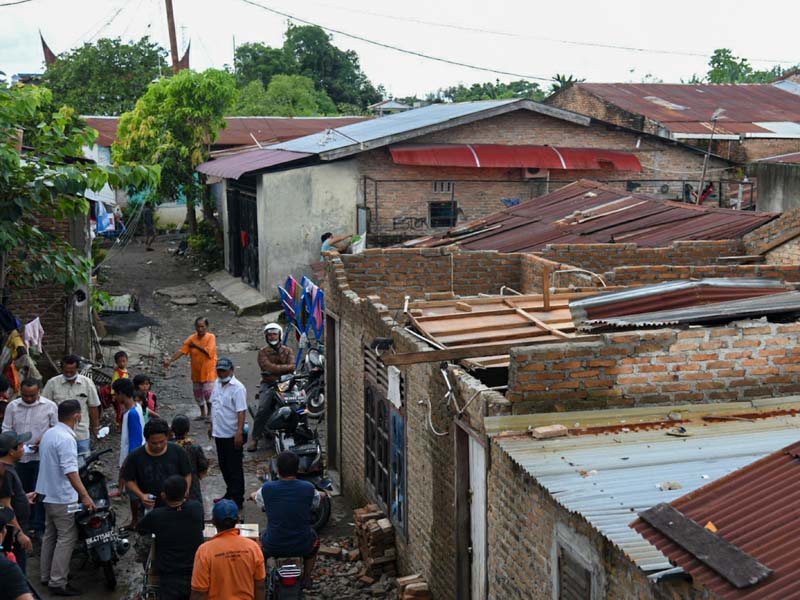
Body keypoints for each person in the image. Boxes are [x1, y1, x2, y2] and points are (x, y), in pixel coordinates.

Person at [35, 399, 96, 596]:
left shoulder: (50, 433)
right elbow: (71, 471)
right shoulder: (67, 439)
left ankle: (46, 575)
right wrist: (85, 496)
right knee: (67, 537)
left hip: (47, 493)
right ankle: (58, 581)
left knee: (50, 534)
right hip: (62, 497)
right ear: (77, 416)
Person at [254, 451, 322, 589]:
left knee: (260, 540)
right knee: (315, 538)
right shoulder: (308, 488)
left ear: (277, 469)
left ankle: (261, 578)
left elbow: (259, 500)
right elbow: (315, 503)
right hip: (302, 544)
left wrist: (252, 496)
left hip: (273, 544)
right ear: (297, 469)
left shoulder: (266, 489)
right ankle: (307, 577)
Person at [2, 378, 57, 538]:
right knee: (19, 493)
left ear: (38, 391)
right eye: (25, 396)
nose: (29, 399)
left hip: (40, 457)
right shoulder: (13, 406)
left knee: (39, 493)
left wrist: (44, 440)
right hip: (18, 459)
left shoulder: (50, 407)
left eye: (32, 396)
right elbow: (6, 429)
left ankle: (38, 527)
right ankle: (19, 527)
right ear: (21, 392)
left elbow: (55, 429)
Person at [137, 475, 203, 600]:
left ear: (163, 496)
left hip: (170, 575)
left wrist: (149, 510)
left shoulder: (156, 516)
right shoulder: (196, 508)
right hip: (196, 571)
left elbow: (140, 529)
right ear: (185, 493)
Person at [190, 499, 265, 600]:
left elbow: (199, 592)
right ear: (238, 520)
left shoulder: (205, 551)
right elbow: (260, 586)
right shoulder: (253, 548)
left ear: (213, 521)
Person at [123, 418, 192, 512]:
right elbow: (128, 480)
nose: (158, 446)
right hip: (151, 505)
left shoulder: (178, 452)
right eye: (154, 443)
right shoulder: (135, 456)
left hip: (175, 504)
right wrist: (141, 495)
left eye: (162, 441)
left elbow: (187, 474)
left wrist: (185, 491)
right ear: (146, 439)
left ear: (167, 437)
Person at [42, 355, 101, 457]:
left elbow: (93, 406)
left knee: (83, 462)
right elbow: (44, 407)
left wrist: (96, 427)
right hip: (59, 433)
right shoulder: (52, 384)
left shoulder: (87, 383)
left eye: (72, 371)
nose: (68, 374)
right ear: (62, 369)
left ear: (78, 369)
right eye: (66, 371)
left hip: (81, 433)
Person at [248, 323, 294, 453]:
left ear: (280, 335)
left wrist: (279, 370)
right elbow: (268, 367)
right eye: (269, 334)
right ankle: (255, 438)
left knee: (300, 404)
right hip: (269, 384)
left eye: (274, 334)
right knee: (263, 408)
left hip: (287, 383)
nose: (272, 336)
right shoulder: (262, 352)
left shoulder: (288, 350)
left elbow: (293, 366)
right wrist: (283, 369)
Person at [208, 357, 247, 508]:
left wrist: (239, 433)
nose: (222, 374)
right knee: (224, 465)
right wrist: (212, 425)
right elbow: (215, 406)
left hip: (232, 434)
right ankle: (230, 492)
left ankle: (237, 498)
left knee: (235, 467)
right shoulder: (217, 384)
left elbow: (241, 412)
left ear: (232, 370)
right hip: (219, 433)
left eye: (224, 371)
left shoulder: (238, 388)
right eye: (219, 371)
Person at [164, 318, 218, 420]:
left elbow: (208, 352)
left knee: (208, 393)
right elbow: (182, 351)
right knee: (197, 393)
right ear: (195, 327)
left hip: (208, 370)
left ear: (206, 327)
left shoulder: (211, 337)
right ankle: (202, 413)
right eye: (198, 326)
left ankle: (210, 413)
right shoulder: (191, 338)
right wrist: (170, 360)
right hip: (196, 371)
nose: (200, 329)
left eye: (202, 326)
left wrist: (195, 346)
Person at [0, 431, 36, 573]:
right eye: (20, 446)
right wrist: (19, 533)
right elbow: (4, 506)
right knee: (17, 570)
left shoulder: (8, 470)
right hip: (12, 531)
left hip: (14, 528)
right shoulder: (5, 473)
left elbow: (9, 498)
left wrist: (23, 498)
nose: (23, 448)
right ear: (11, 452)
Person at [114, 378, 144, 529]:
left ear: (122, 394)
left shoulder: (131, 414)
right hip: (135, 456)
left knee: (133, 492)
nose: (115, 398)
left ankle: (136, 521)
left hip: (133, 458)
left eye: (116, 395)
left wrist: (127, 463)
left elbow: (135, 441)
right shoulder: (136, 408)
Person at [171, 415, 208, 507]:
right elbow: (203, 465)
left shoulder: (168, 446)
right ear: (187, 430)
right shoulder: (194, 446)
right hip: (192, 483)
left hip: (173, 481)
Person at [111, 351, 129, 433]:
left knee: (124, 409)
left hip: (124, 393)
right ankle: (119, 426)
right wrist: (113, 394)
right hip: (119, 394)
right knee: (119, 410)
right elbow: (113, 383)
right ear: (116, 362)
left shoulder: (125, 370)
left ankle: (122, 424)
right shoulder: (118, 372)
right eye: (120, 362)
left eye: (124, 361)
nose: (122, 363)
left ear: (127, 361)